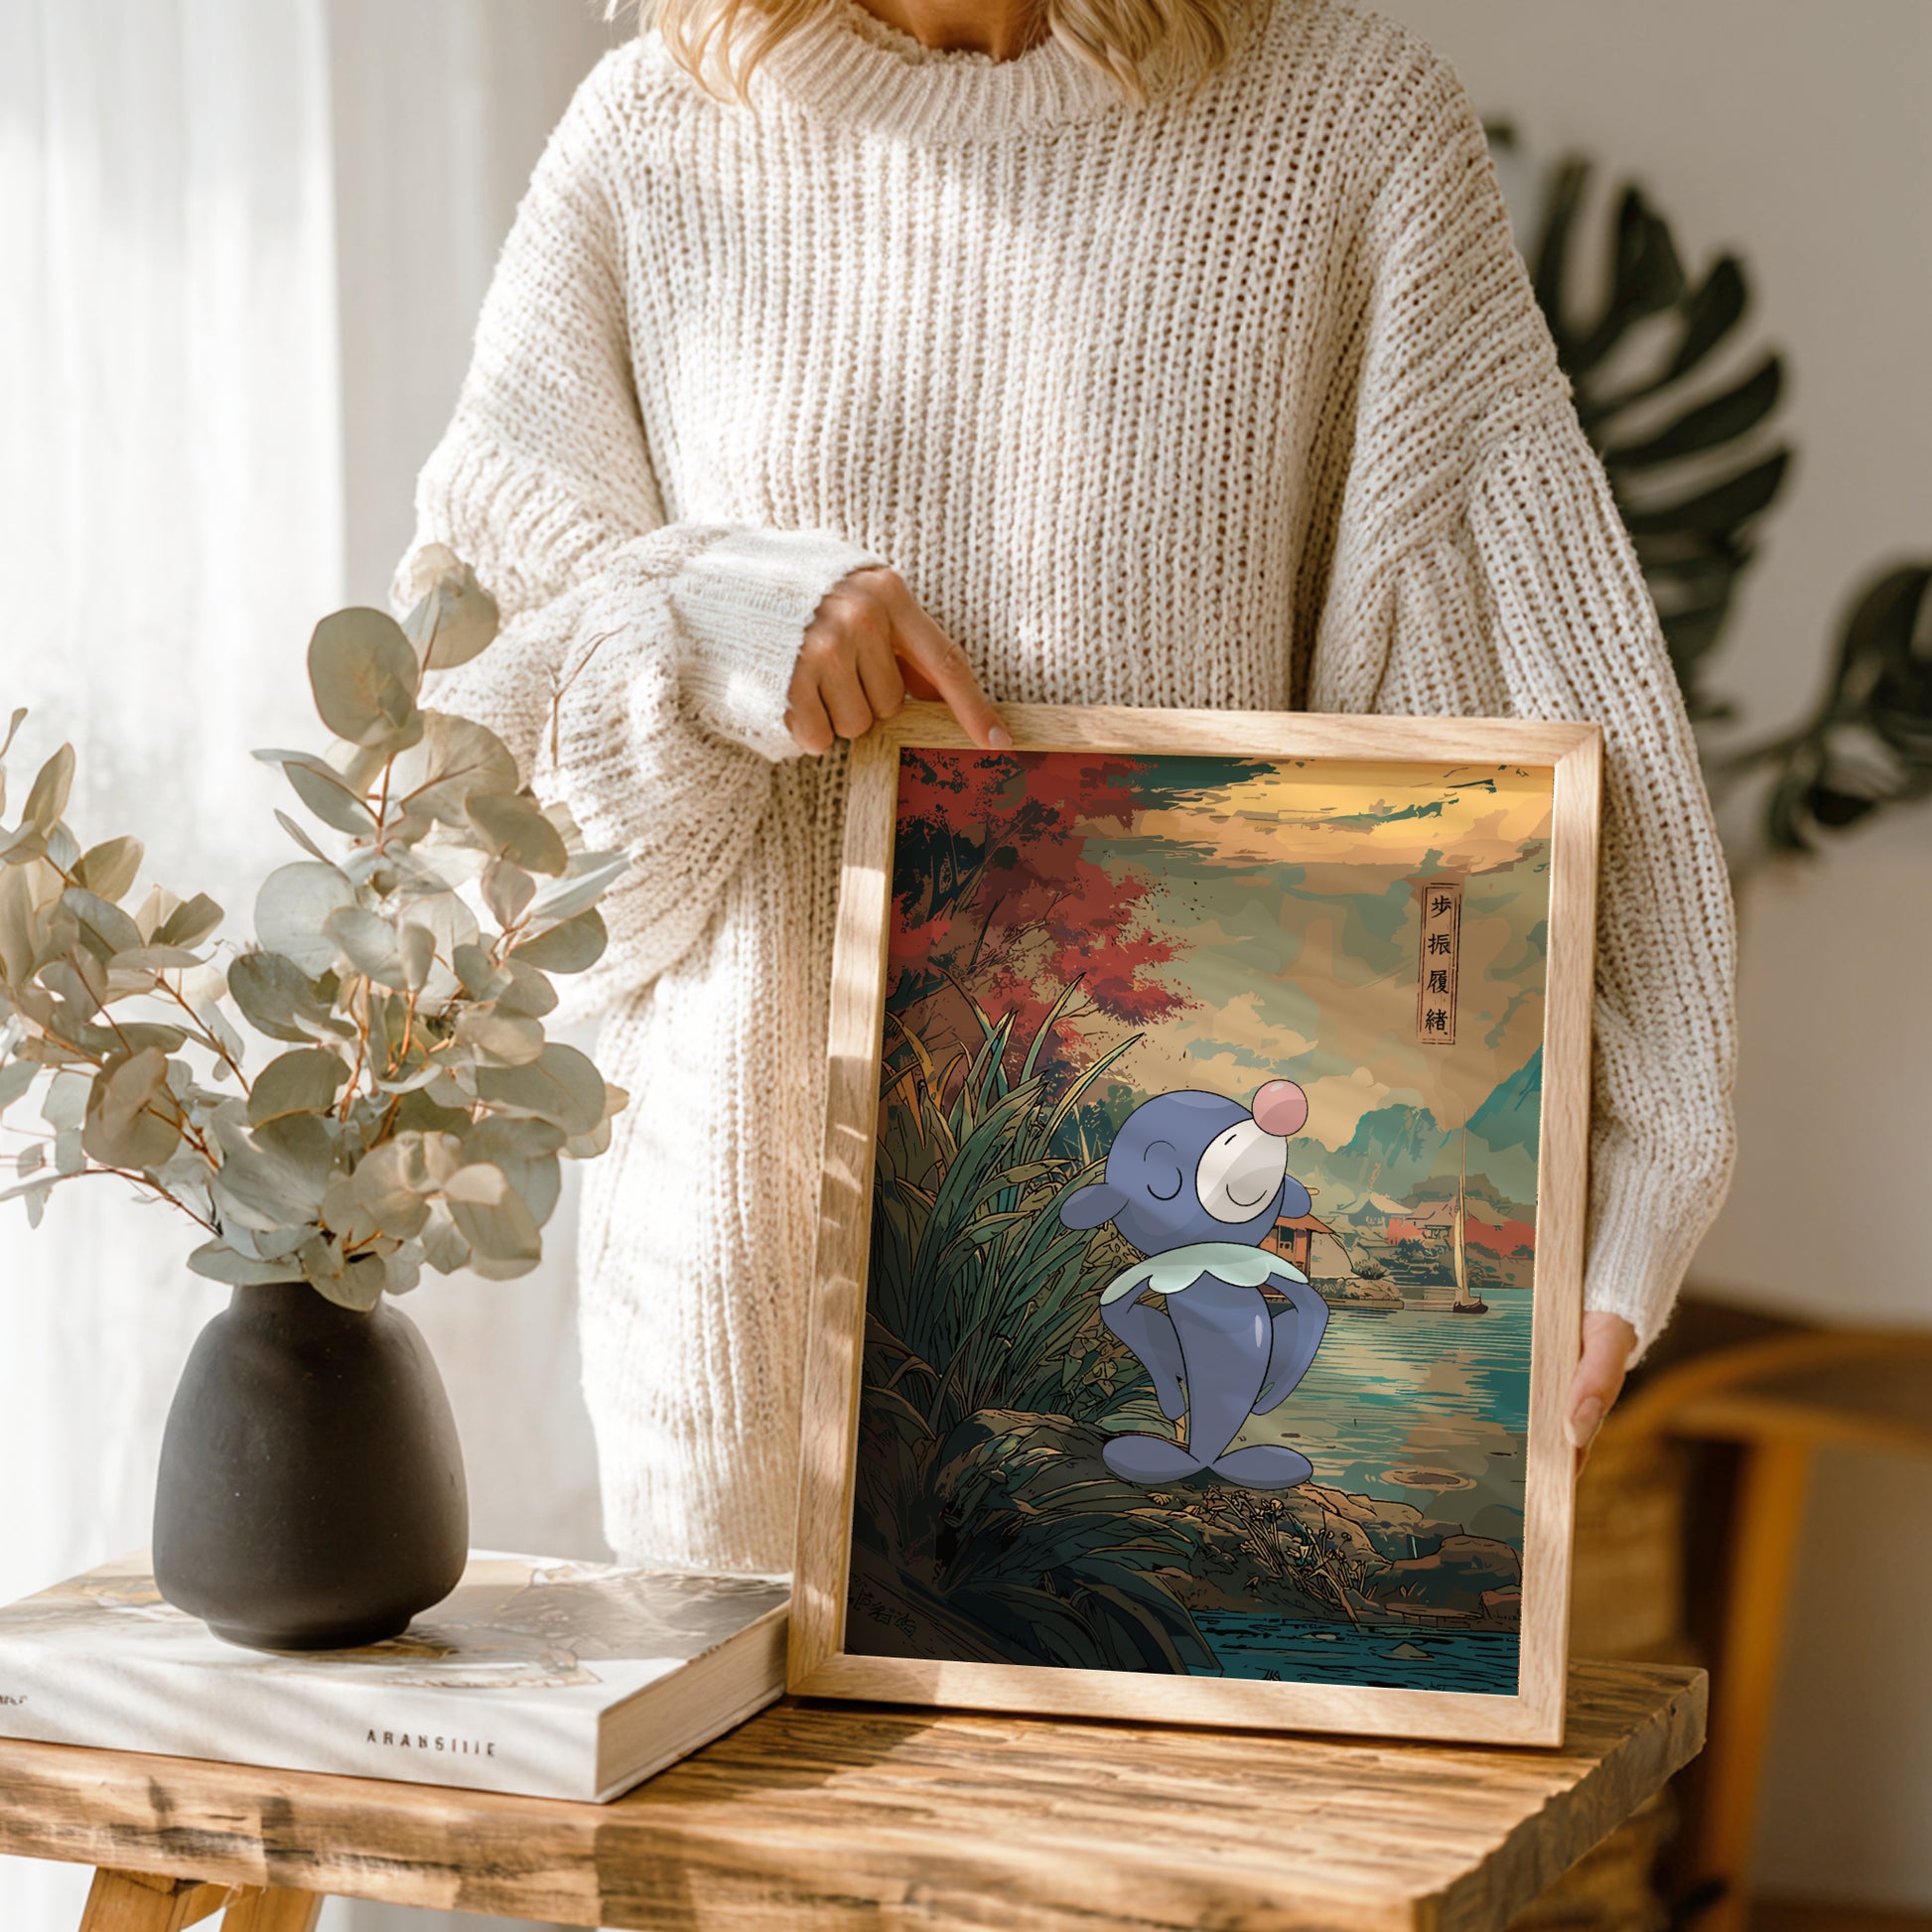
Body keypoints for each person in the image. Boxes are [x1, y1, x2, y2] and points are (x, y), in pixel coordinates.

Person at [393, 0, 1735, 1576]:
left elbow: (1521, 699)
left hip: (1182, 1336)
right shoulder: (649, 140)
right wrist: (705, 621)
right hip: (736, 1347)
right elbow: (466, 820)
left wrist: (1629, 1171)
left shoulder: (1344, 127)